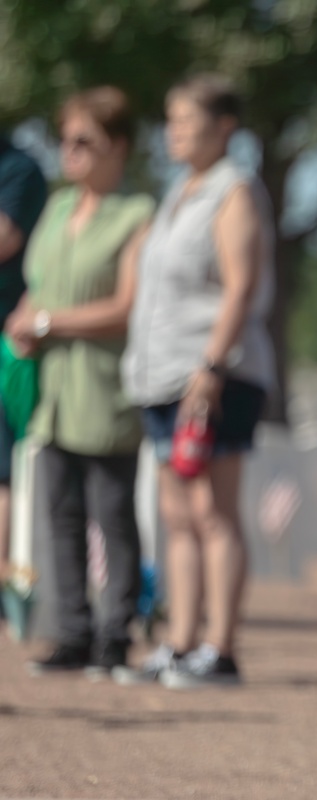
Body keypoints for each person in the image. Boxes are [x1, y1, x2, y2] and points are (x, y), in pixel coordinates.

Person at [117, 73, 275, 689]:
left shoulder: (234, 190)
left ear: (224, 126)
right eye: (170, 119)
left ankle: (221, 648)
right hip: (161, 377)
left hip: (217, 375)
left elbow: (239, 286)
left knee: (213, 511)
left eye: (184, 119)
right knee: (174, 514)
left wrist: (210, 368)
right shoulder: (179, 191)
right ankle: (179, 644)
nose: (172, 131)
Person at [4, 87, 153, 675]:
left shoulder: (137, 214)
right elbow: (37, 281)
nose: (70, 152)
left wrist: (47, 321)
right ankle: (72, 632)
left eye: (83, 141)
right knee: (60, 513)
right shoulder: (60, 208)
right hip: (54, 391)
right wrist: (24, 320)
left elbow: (127, 304)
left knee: (112, 514)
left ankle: (116, 633)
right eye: (64, 140)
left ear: (117, 147)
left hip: (106, 387)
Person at [0, 134, 46, 596]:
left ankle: (4, 583)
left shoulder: (19, 168)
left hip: (8, 343)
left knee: (2, 469)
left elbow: (5, 237)